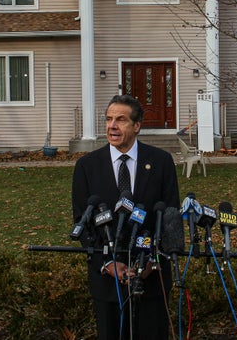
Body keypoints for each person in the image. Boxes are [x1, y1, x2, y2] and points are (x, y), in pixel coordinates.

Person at [72, 94, 180, 340]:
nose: (112, 125)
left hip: (152, 280)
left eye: (120, 120)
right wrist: (108, 265)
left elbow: (171, 217)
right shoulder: (87, 166)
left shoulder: (161, 162)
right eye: (109, 119)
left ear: (137, 126)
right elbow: (82, 222)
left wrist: (151, 263)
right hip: (107, 282)